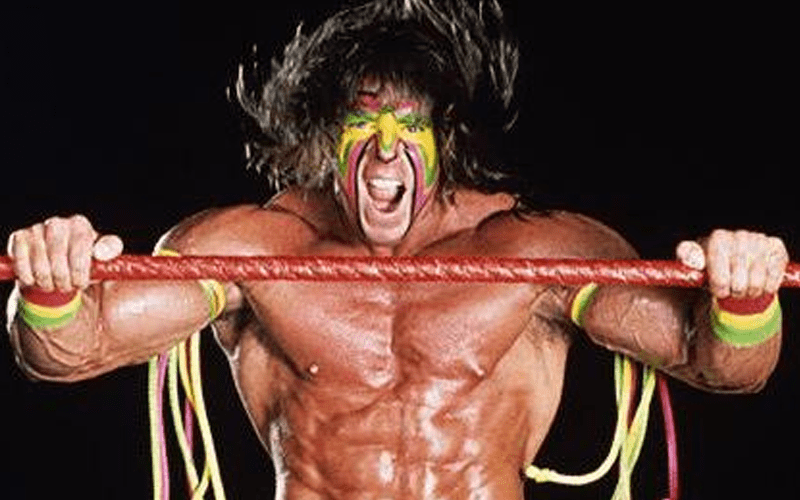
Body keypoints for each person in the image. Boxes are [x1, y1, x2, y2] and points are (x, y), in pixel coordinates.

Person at [5, 0, 789, 498]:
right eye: (364, 124)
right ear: (325, 136)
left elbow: (721, 363)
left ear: (447, 138)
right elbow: (70, 351)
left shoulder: (532, 251)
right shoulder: (256, 247)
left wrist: (744, 296)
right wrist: (50, 283)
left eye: (409, 127)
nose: (386, 151)